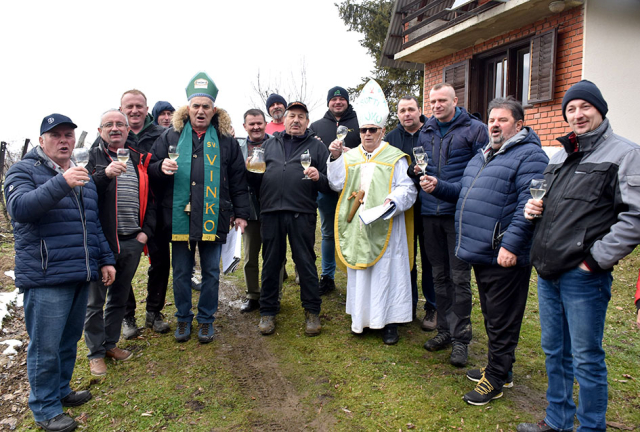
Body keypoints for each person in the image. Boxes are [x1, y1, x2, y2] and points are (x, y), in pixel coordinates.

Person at [518, 80, 640, 432]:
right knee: (555, 352)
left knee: (586, 359)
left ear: (600, 109)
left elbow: (634, 218)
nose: (577, 114)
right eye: (570, 109)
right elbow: (550, 207)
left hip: (583, 276)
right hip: (548, 272)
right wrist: (532, 209)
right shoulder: (560, 156)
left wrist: (595, 261)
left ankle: (590, 427)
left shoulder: (625, 155)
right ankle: (557, 420)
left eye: (584, 106)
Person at [420, 97, 548, 405]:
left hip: (503, 253)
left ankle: (494, 379)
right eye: (492, 119)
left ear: (519, 125)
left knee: (502, 317)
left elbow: (528, 206)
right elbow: (464, 193)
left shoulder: (530, 155)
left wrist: (511, 245)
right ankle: (501, 369)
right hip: (483, 251)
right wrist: (438, 186)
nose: (494, 124)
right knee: (493, 314)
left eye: (502, 120)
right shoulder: (484, 155)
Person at [4, 114, 116, 432]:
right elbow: (19, 209)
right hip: (45, 276)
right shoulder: (23, 170)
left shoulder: (79, 176)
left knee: (68, 340)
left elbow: (92, 225)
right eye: (55, 136)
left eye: (68, 134)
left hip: (79, 272)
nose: (64, 140)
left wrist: (105, 260)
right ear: (41, 141)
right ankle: (45, 409)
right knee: (45, 346)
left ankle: (61, 391)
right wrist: (60, 183)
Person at [149, 72, 250, 343]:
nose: (201, 111)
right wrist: (160, 167)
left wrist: (241, 213)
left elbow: (239, 180)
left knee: (211, 272)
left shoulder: (226, 142)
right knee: (181, 272)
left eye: (206, 106)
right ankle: (183, 318)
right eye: (196, 106)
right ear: (188, 108)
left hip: (213, 215)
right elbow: (150, 170)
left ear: (213, 110)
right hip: (178, 216)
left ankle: (206, 319)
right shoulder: (170, 137)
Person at [327, 79, 417, 345]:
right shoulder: (350, 156)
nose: (367, 134)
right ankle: (361, 318)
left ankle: (389, 322)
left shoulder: (395, 157)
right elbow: (335, 183)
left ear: (382, 130)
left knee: (387, 271)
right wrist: (333, 158)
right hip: (358, 225)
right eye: (364, 129)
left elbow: (408, 190)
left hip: (386, 223)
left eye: (373, 130)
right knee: (362, 272)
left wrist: (391, 203)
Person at [413, 83, 489, 367]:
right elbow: (420, 167)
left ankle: (461, 339)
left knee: (459, 278)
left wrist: (442, 186)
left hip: (459, 213)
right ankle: (444, 330)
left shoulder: (475, 129)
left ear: (456, 100)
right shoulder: (426, 130)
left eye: (442, 100)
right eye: (432, 101)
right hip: (430, 212)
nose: (437, 105)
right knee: (438, 276)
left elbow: (479, 174)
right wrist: (415, 172)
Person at [248, 101, 331, 337]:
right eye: (292, 116)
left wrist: (318, 177)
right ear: (283, 120)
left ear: (307, 122)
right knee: (272, 262)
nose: (296, 120)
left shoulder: (317, 148)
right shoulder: (268, 144)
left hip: (302, 212)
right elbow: (254, 181)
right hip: (271, 211)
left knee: (305, 262)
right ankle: (268, 311)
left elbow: (330, 183)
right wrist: (249, 171)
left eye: (301, 117)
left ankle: (312, 312)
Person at [84, 109, 156, 376]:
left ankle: (110, 344)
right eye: (109, 124)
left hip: (132, 240)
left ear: (128, 130)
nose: (115, 128)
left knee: (119, 297)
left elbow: (152, 199)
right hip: (100, 243)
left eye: (120, 124)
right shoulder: (90, 158)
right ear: (100, 131)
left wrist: (145, 232)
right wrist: (104, 175)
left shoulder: (139, 159)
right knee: (95, 301)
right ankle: (95, 353)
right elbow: (82, 193)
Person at [385, 95, 437, 330]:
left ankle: (433, 307)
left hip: (429, 205)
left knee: (430, 258)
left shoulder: (432, 132)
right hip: (403, 210)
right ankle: (408, 304)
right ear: (398, 114)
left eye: (411, 109)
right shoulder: (390, 139)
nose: (407, 114)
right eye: (402, 110)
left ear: (419, 111)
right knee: (405, 258)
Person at [119, 89, 166, 339]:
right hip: (124, 210)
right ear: (122, 109)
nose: (134, 111)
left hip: (156, 208)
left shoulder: (162, 134)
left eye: (139, 106)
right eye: (129, 106)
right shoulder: (114, 134)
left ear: (147, 109)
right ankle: (127, 316)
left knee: (159, 261)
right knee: (122, 263)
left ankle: (154, 312)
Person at [310, 86, 361, 295]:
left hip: (354, 188)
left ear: (347, 102)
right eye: (334, 99)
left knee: (354, 233)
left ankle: (356, 276)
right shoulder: (316, 126)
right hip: (326, 188)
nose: (338, 102)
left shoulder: (360, 124)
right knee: (328, 233)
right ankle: (328, 277)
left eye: (342, 99)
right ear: (328, 102)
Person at [236, 108, 284, 312]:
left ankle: (275, 294)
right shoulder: (238, 147)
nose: (256, 127)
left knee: (276, 255)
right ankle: (253, 294)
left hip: (274, 206)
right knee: (250, 256)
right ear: (245, 126)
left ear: (265, 123)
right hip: (249, 209)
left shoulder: (276, 143)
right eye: (251, 124)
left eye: (259, 123)